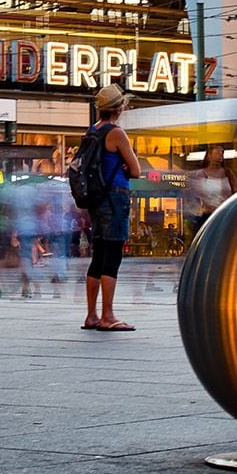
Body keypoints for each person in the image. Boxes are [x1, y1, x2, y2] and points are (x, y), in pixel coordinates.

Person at [81, 83, 141, 332]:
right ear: (119, 107)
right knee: (112, 255)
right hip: (115, 199)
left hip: (96, 201)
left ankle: (92, 315)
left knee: (99, 255)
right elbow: (136, 170)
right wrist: (126, 167)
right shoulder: (116, 133)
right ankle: (108, 315)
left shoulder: (91, 131)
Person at [186, 144, 237, 240]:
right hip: (208, 215)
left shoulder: (227, 173)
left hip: (224, 213)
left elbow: (236, 190)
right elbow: (197, 193)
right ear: (209, 156)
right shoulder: (202, 174)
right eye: (217, 153)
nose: (220, 156)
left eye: (221, 153)